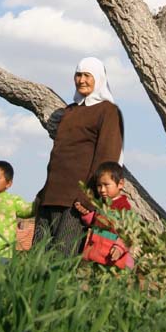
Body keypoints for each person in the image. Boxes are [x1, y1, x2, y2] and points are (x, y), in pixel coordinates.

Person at [34, 57, 123, 256]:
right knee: (35, 262)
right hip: (50, 197)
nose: (81, 80)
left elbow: (107, 156)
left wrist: (88, 197)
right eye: (78, 75)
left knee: (61, 261)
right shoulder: (69, 111)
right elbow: (57, 155)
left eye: (87, 75)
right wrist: (43, 193)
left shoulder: (107, 111)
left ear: (98, 78)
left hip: (76, 202)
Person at [74, 161, 134, 270]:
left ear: (120, 184)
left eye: (106, 185)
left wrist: (119, 248)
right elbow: (97, 223)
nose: (102, 190)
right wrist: (87, 215)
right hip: (95, 255)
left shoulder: (123, 207)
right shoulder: (102, 204)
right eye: (99, 186)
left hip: (112, 260)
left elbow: (128, 233)